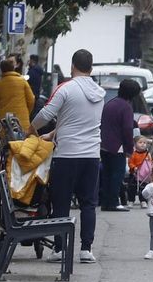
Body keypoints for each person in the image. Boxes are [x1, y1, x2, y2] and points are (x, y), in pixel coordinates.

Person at [33, 49, 106, 264]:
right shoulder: (100, 93)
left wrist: (31, 129)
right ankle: (86, 249)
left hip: (66, 155)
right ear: (90, 68)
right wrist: (53, 133)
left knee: (61, 202)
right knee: (88, 203)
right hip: (92, 156)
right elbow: (80, 123)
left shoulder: (65, 88)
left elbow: (46, 114)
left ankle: (60, 248)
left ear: (73, 66)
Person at [99, 80, 139, 213]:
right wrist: (129, 148)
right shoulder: (126, 107)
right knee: (117, 175)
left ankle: (105, 201)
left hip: (104, 144)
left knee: (107, 174)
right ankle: (114, 202)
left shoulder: (110, 103)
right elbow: (127, 129)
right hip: (118, 146)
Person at [0, 55, 35, 134]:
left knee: (6, 144)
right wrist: (27, 112)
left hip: (4, 121)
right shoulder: (22, 81)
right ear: (13, 68)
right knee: (22, 145)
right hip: (21, 120)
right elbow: (31, 99)